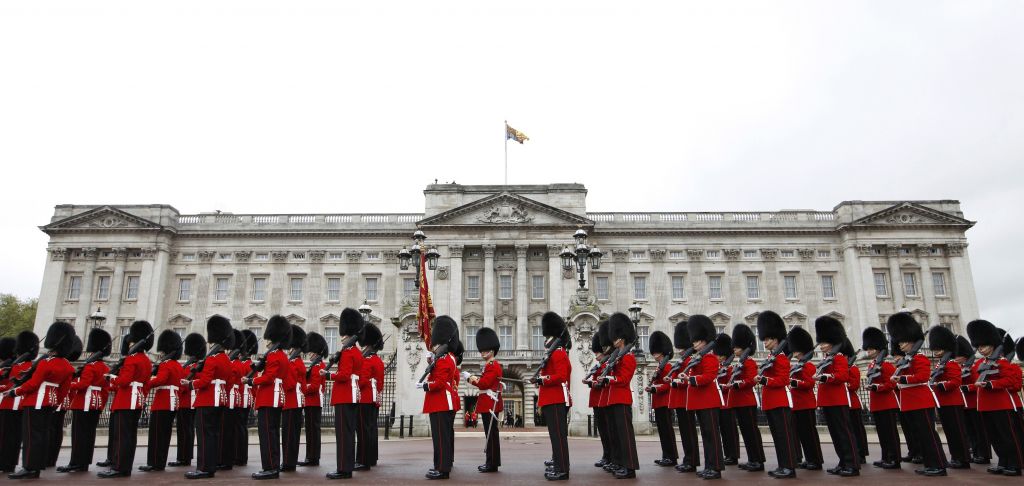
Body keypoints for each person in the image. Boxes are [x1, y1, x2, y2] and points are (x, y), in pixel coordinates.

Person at [5, 321, 76, 480]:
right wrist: (55, 403)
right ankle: (36, 467)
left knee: (31, 436)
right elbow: (64, 390)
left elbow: (33, 384)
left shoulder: (45, 363)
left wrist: (14, 392)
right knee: (42, 435)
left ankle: (29, 467)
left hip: (35, 401)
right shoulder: (67, 366)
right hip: (50, 402)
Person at [886, 312, 948, 476]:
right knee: (921, 436)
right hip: (911, 402)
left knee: (928, 435)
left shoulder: (919, 358)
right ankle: (930, 463)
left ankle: (938, 465)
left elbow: (922, 377)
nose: (900, 344)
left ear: (912, 340)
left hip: (921, 400)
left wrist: (902, 378)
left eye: (903, 341)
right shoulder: (907, 359)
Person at [966, 320, 1023, 476]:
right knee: (995, 437)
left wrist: (992, 384)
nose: (981, 349)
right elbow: (976, 382)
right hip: (985, 405)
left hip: (1001, 404)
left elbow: (1011, 381)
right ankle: (1003, 462)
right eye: (979, 347)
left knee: (1007, 436)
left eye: (983, 346)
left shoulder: (1002, 362)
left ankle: (1015, 463)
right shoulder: (978, 364)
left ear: (992, 345)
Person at [99, 320, 154, 478]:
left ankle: (119, 467)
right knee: (129, 436)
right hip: (136, 400)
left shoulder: (132, 359)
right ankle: (124, 466)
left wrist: (111, 378)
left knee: (122, 435)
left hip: (125, 400)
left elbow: (124, 381)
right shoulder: (145, 360)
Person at [183, 315, 236, 479]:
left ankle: (204, 467)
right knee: (213, 434)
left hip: (207, 400)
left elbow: (205, 381)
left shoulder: (212, 360)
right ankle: (210, 466)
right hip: (220, 400)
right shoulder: (226, 360)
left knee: (205, 435)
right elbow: (229, 381)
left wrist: (190, 384)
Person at [58, 328, 111, 473]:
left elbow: (83, 385)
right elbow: (106, 389)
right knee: (89, 435)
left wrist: (68, 385)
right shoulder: (105, 367)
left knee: (79, 435)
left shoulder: (90, 367)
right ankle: (84, 462)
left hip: (84, 403)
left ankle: (75, 462)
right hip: (95, 404)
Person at [248, 314, 292, 480]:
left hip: (268, 397)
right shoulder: (281, 355)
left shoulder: (273, 356)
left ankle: (270, 468)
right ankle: (272, 466)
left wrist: (252, 380)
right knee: (272, 433)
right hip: (276, 397)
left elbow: (268, 378)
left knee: (267, 434)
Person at [814, 315, 859, 477]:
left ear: (832, 342)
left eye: (824, 343)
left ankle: (852, 463)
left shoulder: (839, 358)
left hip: (838, 399)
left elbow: (842, 376)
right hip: (828, 400)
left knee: (844, 433)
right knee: (835, 434)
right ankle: (843, 461)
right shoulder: (827, 359)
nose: (822, 346)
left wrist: (825, 377)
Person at [681, 315, 725, 480]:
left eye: (697, 341)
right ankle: (709, 466)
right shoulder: (698, 358)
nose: (694, 344)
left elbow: (708, 377)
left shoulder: (710, 358)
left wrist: (690, 379)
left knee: (712, 436)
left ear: (705, 341)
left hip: (708, 401)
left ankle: (716, 467)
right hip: (699, 402)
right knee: (706, 436)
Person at [597, 313, 639, 479]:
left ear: (621, 338)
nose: (613, 341)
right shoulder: (618, 357)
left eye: (615, 338)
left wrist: (608, 378)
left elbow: (623, 380)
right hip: (613, 399)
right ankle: (620, 462)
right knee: (616, 435)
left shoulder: (628, 357)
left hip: (622, 399)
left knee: (625, 436)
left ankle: (630, 467)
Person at [325, 308, 365, 480]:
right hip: (352, 395)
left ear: (347, 334)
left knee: (343, 434)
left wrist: (327, 375)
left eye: (343, 334)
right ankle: (346, 467)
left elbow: (344, 375)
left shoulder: (348, 353)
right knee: (348, 433)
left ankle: (343, 468)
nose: (341, 337)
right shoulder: (356, 351)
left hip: (344, 395)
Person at [753, 314, 795, 479]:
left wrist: (764, 379)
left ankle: (790, 467)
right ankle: (782, 465)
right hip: (770, 402)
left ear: (777, 339)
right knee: (777, 436)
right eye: (764, 339)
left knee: (784, 436)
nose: (765, 342)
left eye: (769, 339)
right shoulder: (770, 357)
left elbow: (784, 380)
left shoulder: (782, 358)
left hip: (780, 400)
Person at [533, 312, 571, 481]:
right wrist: (539, 380)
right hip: (550, 398)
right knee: (555, 437)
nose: (545, 341)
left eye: (547, 338)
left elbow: (562, 376)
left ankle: (562, 469)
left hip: (556, 398)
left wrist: (543, 379)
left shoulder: (559, 352)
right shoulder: (552, 353)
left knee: (559, 437)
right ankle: (559, 464)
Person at [140, 330, 185, 472]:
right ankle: (160, 462)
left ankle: (154, 463)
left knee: (157, 434)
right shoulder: (178, 365)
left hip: (163, 401)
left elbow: (161, 380)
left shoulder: (165, 364)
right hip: (173, 402)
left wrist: (146, 381)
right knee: (164, 434)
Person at [421, 315, 459, 480]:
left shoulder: (445, 359)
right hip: (439, 402)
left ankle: (443, 469)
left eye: (435, 344)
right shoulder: (443, 359)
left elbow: (440, 383)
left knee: (441, 438)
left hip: (441, 402)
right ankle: (440, 465)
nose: (433, 347)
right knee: (439, 438)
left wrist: (426, 385)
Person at [927, 325, 971, 469]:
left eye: (939, 348)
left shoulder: (951, 364)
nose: (937, 351)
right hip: (943, 403)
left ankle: (963, 458)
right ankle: (955, 457)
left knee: (957, 432)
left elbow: (955, 382)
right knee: (950, 433)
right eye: (935, 348)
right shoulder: (941, 363)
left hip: (952, 401)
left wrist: (940, 385)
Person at [728, 324, 767, 474]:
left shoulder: (749, 362)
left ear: (743, 348)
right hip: (739, 401)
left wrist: (737, 383)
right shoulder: (739, 363)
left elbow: (752, 380)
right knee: (746, 433)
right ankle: (752, 459)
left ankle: (758, 460)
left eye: (737, 348)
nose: (734, 350)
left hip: (747, 401)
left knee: (752, 432)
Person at [861, 327, 901, 469]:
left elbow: (891, 383)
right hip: (877, 403)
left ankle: (894, 458)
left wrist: (877, 387)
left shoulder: (887, 365)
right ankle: (885, 456)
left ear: (878, 349)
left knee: (890, 433)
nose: (869, 351)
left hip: (887, 402)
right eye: (868, 349)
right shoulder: (873, 365)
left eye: (871, 349)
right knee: (882, 433)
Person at [0, 332, 39, 473]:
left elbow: (12, 385)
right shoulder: (25, 365)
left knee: (7, 436)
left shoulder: (23, 366)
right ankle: (8, 463)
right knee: (14, 436)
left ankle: (6, 463)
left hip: (11, 403)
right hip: (18, 403)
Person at [466, 326, 503, 473]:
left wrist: (469, 378)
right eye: (481, 350)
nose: (482, 352)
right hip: (488, 402)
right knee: (491, 434)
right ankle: (492, 462)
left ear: (491, 350)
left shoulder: (493, 365)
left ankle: (492, 463)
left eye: (484, 350)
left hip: (490, 403)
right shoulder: (489, 365)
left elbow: (484, 384)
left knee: (491, 435)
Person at [786, 326, 822, 471]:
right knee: (802, 435)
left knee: (810, 434)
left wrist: (793, 382)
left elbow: (809, 383)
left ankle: (816, 460)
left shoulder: (808, 366)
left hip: (806, 404)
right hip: (797, 404)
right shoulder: (797, 366)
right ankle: (809, 458)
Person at [668, 323, 700, 473]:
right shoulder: (681, 361)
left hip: (686, 400)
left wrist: (675, 381)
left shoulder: (689, 361)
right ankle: (688, 459)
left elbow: (688, 379)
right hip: (679, 401)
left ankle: (691, 461)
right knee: (685, 433)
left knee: (689, 432)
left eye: (681, 348)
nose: (679, 351)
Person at [171, 333, 205, 468]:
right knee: (189, 430)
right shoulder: (199, 365)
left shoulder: (191, 367)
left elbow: (182, 385)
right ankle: (186, 457)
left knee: (184, 430)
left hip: (186, 401)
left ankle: (183, 458)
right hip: (195, 401)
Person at [47, 336, 81, 469]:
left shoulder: (55, 363)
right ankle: (51, 458)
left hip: (52, 399)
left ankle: (48, 457)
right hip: (63, 401)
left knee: (50, 429)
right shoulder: (69, 366)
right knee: (56, 430)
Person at [957, 335, 991, 464]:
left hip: (974, 403)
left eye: (958, 355)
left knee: (979, 430)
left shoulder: (975, 365)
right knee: (970, 431)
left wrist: (965, 388)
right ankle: (976, 452)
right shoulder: (959, 367)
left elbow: (979, 383)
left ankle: (984, 454)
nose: (956, 358)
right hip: (964, 404)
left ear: (964, 355)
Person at [356, 323, 385, 471]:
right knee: (371, 429)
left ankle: (363, 459)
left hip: (364, 399)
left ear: (367, 345)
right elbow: (380, 384)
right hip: (375, 400)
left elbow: (361, 381)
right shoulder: (378, 361)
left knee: (362, 430)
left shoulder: (366, 361)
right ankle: (371, 457)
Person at [646, 330, 677, 468]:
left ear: (662, 352)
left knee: (667, 431)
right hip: (658, 402)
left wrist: (654, 388)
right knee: (663, 431)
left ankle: (672, 457)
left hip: (665, 402)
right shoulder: (660, 366)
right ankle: (666, 455)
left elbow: (668, 384)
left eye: (656, 352)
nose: (654, 355)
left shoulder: (668, 366)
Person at [218, 330, 245, 471]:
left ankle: (226, 460)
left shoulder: (234, 364)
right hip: (232, 397)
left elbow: (229, 380)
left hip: (230, 397)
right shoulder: (236, 363)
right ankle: (229, 458)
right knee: (229, 430)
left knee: (226, 430)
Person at [281, 325, 307, 473]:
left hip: (290, 401)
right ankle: (291, 460)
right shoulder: (300, 363)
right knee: (294, 435)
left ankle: (288, 463)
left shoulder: (291, 363)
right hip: (298, 402)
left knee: (288, 434)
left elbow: (289, 384)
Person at [585, 322, 611, 468]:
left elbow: (604, 382)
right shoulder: (599, 366)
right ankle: (606, 455)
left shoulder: (607, 365)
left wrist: (593, 383)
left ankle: (610, 456)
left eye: (597, 353)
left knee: (607, 431)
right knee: (602, 430)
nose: (596, 357)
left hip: (604, 400)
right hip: (597, 401)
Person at [300, 332, 328, 468]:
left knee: (313, 431)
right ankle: (310, 456)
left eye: (310, 352)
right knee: (310, 431)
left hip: (314, 401)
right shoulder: (315, 365)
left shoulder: (318, 366)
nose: (308, 354)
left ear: (316, 352)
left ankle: (313, 457)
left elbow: (315, 386)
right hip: (310, 401)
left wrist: (302, 388)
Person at [714, 333, 740, 468]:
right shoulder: (718, 368)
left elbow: (731, 384)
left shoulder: (730, 369)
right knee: (724, 432)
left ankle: (733, 455)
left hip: (727, 403)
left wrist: (721, 386)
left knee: (730, 431)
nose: (716, 357)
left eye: (718, 355)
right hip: (719, 403)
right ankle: (728, 454)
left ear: (724, 355)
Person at [842, 339, 868, 464]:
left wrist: (841, 383)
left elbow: (854, 386)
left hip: (853, 403)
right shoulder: (843, 368)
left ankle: (861, 453)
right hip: (844, 403)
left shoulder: (852, 368)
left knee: (857, 430)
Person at [234, 330, 257, 467]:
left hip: (241, 398)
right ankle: (241, 456)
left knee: (239, 427)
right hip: (245, 398)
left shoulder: (246, 364)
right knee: (241, 427)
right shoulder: (250, 364)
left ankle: (239, 456)